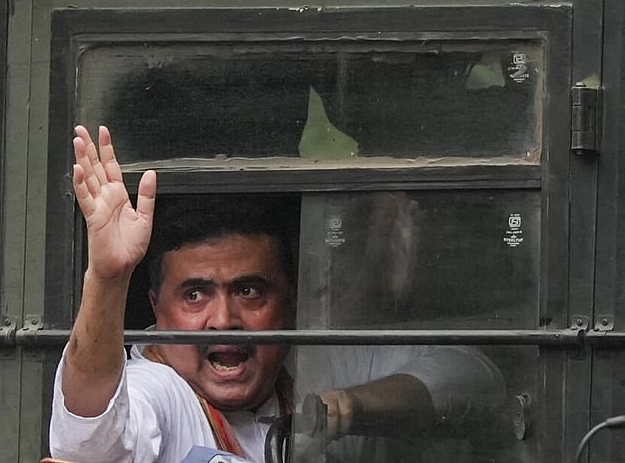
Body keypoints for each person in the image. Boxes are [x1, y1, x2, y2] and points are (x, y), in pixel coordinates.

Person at [48, 126, 505, 463]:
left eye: (248, 291)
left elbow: (476, 378)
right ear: (157, 309)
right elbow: (88, 440)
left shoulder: (308, 368)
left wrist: (344, 408)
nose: (223, 319)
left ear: (290, 302)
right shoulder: (161, 390)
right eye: (195, 295)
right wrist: (108, 278)